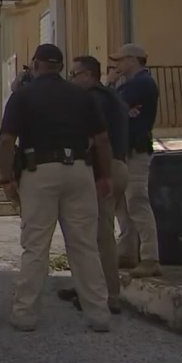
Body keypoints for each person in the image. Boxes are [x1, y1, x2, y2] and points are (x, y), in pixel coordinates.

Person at [0, 44, 113, 333]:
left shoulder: (23, 96)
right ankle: (99, 314)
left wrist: (7, 178)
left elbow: (7, 140)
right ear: (61, 67)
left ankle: (25, 313)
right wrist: (105, 175)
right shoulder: (82, 95)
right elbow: (102, 140)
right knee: (84, 245)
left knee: (36, 245)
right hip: (80, 170)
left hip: (39, 171)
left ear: (35, 65)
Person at [61, 56, 131, 314]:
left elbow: (95, 138)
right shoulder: (112, 97)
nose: (71, 80)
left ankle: (109, 295)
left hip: (105, 167)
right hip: (117, 164)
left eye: (74, 74)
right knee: (93, 232)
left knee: (101, 234)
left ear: (89, 75)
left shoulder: (95, 99)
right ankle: (88, 287)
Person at [112, 43, 162, 277]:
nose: (117, 65)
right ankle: (127, 251)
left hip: (136, 151)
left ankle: (150, 257)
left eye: (120, 60)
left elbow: (113, 105)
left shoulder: (143, 83)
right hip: (124, 151)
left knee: (137, 201)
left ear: (133, 59)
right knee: (121, 203)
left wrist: (111, 85)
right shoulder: (130, 85)